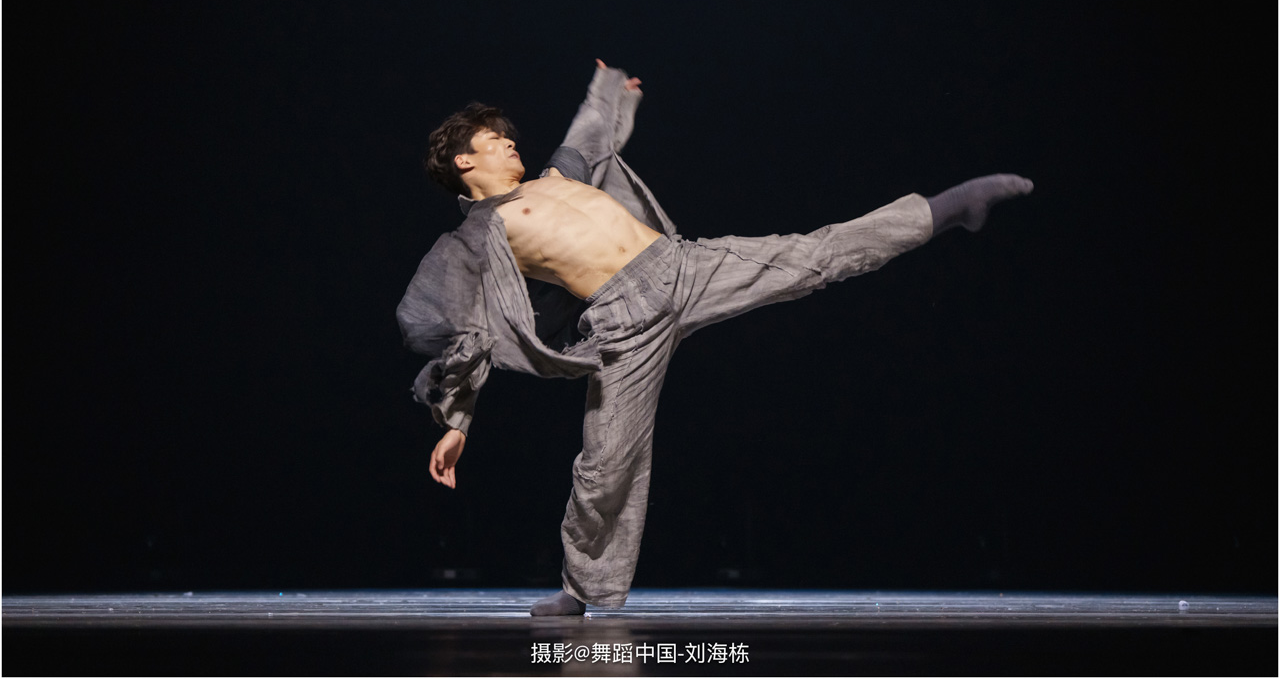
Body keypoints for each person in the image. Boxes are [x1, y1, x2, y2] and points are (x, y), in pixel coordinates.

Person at [397, 59, 1033, 616]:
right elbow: (466, 328)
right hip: (624, 324)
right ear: (463, 162)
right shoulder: (478, 235)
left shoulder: (553, 178)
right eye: (494, 140)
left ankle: (946, 208)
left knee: (810, 256)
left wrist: (610, 90)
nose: (511, 143)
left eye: (507, 137)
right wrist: (457, 424)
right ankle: (581, 589)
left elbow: (587, 137)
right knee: (605, 465)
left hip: (681, 267)